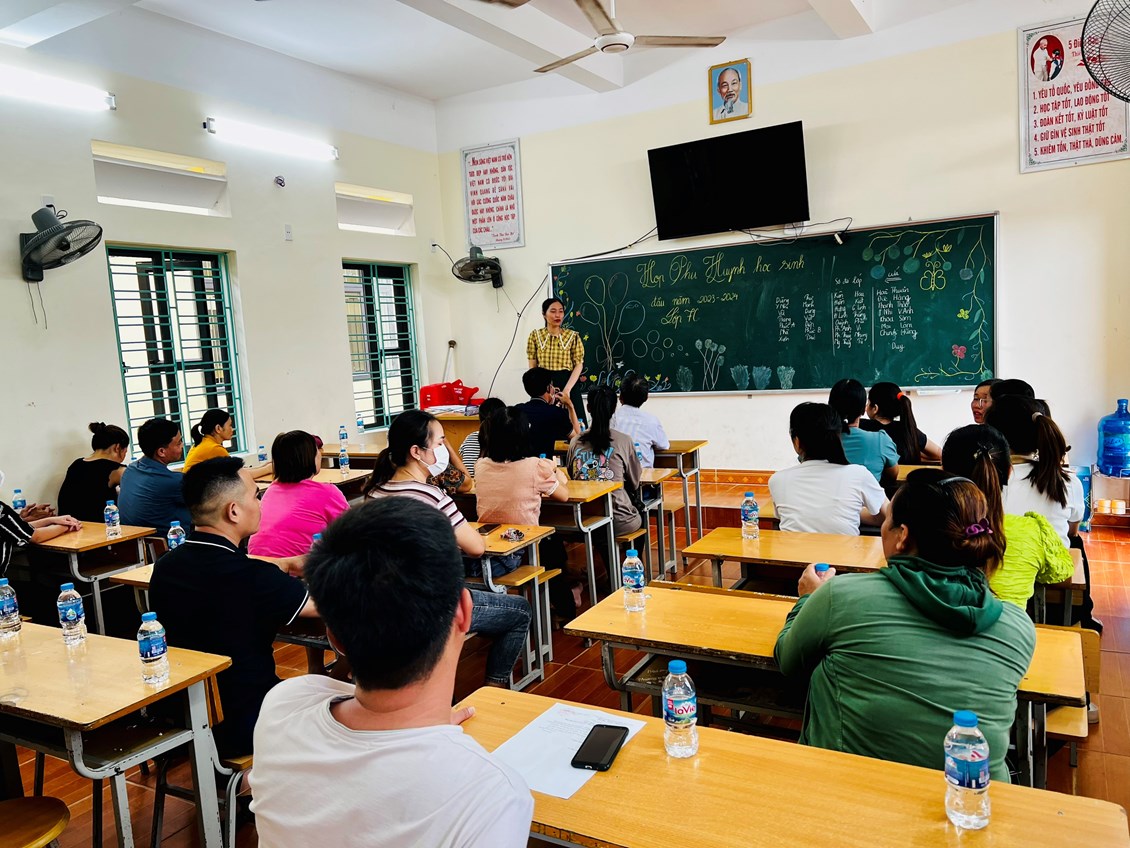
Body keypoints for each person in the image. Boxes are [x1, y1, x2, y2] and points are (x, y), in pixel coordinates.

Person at [248, 498, 534, 847]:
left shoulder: (283, 706)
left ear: (334, 637)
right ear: (463, 611)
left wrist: (426, 728)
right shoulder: (494, 797)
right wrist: (429, 731)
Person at [774, 471, 1036, 781]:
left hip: (847, 788)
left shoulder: (841, 596)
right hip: (970, 799)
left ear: (902, 536)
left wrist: (807, 599)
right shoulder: (1018, 627)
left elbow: (788, 659)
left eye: (887, 520)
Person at [149, 457, 315, 756]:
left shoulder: (165, 566)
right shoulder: (255, 578)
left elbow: (230, 568)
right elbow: (327, 606)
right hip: (250, 720)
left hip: (185, 715)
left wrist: (283, 563)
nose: (260, 504)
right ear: (233, 511)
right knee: (333, 697)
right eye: (256, 496)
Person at [363, 410, 532, 688]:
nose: (443, 449)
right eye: (440, 442)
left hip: (385, 602)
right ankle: (494, 689)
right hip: (430, 606)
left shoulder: (374, 492)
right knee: (521, 611)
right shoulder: (431, 495)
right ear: (416, 451)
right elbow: (476, 548)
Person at [942, 424, 1073, 608]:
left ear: (943, 471)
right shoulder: (1032, 531)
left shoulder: (923, 530)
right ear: (1010, 472)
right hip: (1010, 626)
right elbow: (1061, 573)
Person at [475, 405, 574, 618]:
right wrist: (555, 470)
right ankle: (567, 612)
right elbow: (564, 495)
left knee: (551, 544)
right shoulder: (535, 466)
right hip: (522, 547)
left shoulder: (481, 465)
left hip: (489, 545)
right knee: (553, 546)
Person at [768, 403, 887, 536]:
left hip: (793, 550)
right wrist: (849, 511)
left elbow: (786, 516)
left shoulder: (778, 480)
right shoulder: (858, 475)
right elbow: (888, 515)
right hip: (846, 550)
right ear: (838, 436)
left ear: (797, 442)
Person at [986, 395, 1082, 548]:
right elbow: (1073, 531)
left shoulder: (983, 481)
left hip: (1000, 561)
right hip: (1053, 562)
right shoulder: (1068, 482)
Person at [249, 430, 349, 558]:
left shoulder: (272, 490)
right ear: (309, 457)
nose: (320, 454)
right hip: (295, 568)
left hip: (256, 563)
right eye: (317, 450)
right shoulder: (327, 493)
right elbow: (354, 530)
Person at [567, 386, 642, 539]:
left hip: (582, 519)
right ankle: (631, 554)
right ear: (614, 409)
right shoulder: (624, 441)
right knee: (642, 513)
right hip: (619, 520)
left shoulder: (575, 442)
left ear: (588, 408)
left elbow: (572, 475)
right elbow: (635, 482)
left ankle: (604, 552)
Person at [1, 467, 81, 575]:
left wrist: (51, 520)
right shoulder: (1, 511)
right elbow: (35, 536)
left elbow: (18, 528)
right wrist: (68, 525)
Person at [118, 418, 191, 532]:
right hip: (169, 540)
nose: (182, 445)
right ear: (161, 451)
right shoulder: (172, 481)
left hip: (133, 540)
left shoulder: (130, 470)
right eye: (178, 442)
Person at [828, 378, 899, 488]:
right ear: (863, 410)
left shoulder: (817, 440)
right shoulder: (880, 441)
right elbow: (893, 475)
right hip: (865, 498)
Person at [526, 297, 585, 421]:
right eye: (553, 311)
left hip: (568, 383)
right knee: (544, 424)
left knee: (573, 423)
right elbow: (533, 367)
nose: (558, 315)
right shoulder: (535, 336)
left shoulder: (573, 336)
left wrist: (567, 390)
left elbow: (578, 364)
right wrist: (539, 390)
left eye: (561, 311)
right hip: (544, 386)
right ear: (544, 314)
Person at [57, 422, 130, 521]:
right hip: (98, 527)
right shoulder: (117, 470)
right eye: (125, 452)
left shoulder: (76, 464)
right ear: (117, 448)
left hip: (68, 525)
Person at [861, 382, 942, 465]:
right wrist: (913, 454)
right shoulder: (908, 430)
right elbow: (939, 454)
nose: (866, 407)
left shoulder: (862, 426)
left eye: (868, 403)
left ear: (875, 408)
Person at [610, 373, 670, 468]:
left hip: (615, 474)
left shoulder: (611, 418)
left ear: (620, 397)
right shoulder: (651, 421)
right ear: (646, 397)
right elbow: (664, 445)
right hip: (644, 474)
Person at [520, 366, 579, 460]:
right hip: (544, 465)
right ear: (548, 388)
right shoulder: (556, 413)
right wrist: (570, 405)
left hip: (521, 465)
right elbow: (577, 439)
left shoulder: (518, 410)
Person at [459, 397, 505, 478]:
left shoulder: (470, 437)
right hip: (497, 483)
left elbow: (463, 454)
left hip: (470, 483)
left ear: (480, 419)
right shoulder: (508, 439)